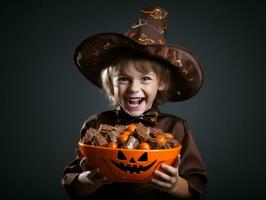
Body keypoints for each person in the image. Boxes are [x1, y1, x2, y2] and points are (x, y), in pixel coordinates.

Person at [62, 6, 208, 200]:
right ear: (110, 85)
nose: (133, 88)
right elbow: (73, 186)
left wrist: (175, 185)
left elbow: (195, 188)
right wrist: (89, 179)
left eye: (145, 79)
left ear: (161, 83)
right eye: (123, 79)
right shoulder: (95, 124)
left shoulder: (177, 128)